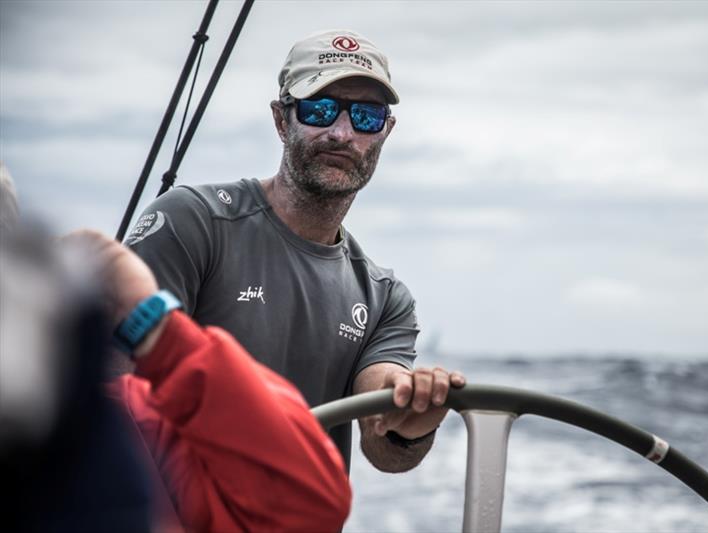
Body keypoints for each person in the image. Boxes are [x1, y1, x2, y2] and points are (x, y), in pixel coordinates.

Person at [126, 29, 465, 472]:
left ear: (385, 131)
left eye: (366, 117)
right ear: (281, 120)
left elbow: (384, 446)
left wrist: (409, 416)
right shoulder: (192, 222)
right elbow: (110, 386)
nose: (342, 133)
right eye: (319, 109)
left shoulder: (385, 298)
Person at [66, 230, 352, 531]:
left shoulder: (128, 417)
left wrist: (153, 327)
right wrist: (153, 329)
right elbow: (308, 508)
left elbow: (307, 508)